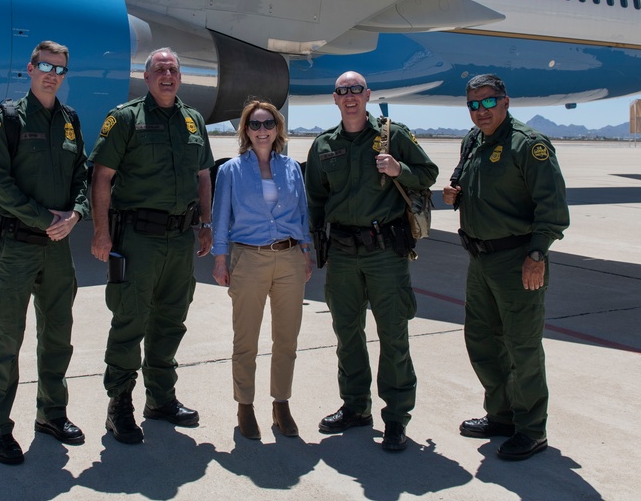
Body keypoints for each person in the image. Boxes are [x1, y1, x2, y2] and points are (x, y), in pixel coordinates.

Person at [304, 71, 438, 452]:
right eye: (342, 91)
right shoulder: (323, 145)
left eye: (356, 91)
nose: (350, 97)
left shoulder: (393, 135)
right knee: (347, 334)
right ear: (335, 98)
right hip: (343, 253)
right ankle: (355, 407)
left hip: (384, 253)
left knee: (393, 335)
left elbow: (428, 174)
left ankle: (395, 417)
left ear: (368, 95)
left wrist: (400, 170)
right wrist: (312, 247)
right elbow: (315, 200)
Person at [89, 47, 214, 445]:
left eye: (173, 69)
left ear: (180, 77)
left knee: (171, 320)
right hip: (137, 238)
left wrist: (206, 223)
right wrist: (101, 232)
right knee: (130, 319)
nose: (167, 75)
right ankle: (119, 405)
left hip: (179, 239)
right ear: (146, 78)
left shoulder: (193, 120)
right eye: (159, 69)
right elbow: (102, 178)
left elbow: (204, 176)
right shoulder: (125, 117)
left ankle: (160, 398)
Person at [442, 73, 569, 462]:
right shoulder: (473, 142)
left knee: (523, 346)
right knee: (482, 340)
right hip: (479, 259)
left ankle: (532, 430)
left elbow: (553, 209)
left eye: (487, 102)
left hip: (518, 261)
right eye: (473, 105)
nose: (480, 111)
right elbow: (468, 184)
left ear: (505, 102)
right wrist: (455, 194)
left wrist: (537, 255)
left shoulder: (529, 146)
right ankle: (501, 415)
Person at [0, 40, 90, 465]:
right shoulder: (7, 118)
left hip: (58, 250)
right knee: (7, 337)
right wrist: (42, 217)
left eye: (59, 68)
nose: (51, 73)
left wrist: (77, 213)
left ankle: (51, 414)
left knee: (58, 335)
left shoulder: (69, 121)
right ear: (29, 68)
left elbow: (82, 174)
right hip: (17, 248)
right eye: (44, 65)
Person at [211, 100, 313, 440]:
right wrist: (220, 259)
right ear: (245, 130)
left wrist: (306, 252)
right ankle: (245, 405)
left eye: (268, 123)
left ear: (277, 128)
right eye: (254, 125)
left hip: (289, 258)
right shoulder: (231, 171)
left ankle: (281, 403)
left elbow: (302, 213)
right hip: (248, 259)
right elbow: (221, 218)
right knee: (246, 341)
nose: (262, 130)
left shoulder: (291, 168)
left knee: (287, 338)